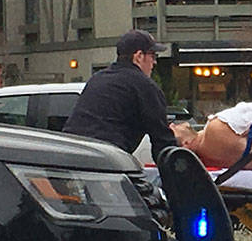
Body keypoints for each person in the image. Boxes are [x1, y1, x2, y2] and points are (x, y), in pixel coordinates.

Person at [63, 29, 176, 158]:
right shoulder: (145, 86)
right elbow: (162, 141)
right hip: (106, 157)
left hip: (70, 152)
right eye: (153, 56)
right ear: (139, 56)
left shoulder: (97, 78)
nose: (154, 62)